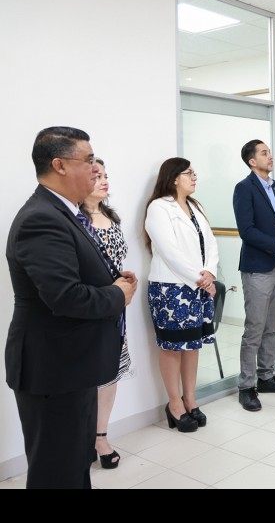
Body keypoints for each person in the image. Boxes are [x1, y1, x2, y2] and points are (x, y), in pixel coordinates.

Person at [5, 127, 136, 489]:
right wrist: (118, 295)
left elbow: (76, 275)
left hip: (73, 366)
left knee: (75, 464)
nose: (96, 168)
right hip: (54, 369)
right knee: (57, 472)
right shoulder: (41, 218)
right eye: (89, 160)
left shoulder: (65, 213)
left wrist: (113, 281)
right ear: (59, 165)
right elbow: (65, 296)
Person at [144, 158, 218, 433]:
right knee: (172, 347)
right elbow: (168, 250)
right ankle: (174, 405)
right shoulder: (159, 207)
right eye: (189, 173)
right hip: (171, 288)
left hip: (198, 286)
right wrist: (200, 279)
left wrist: (210, 272)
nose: (195, 177)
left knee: (192, 345)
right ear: (174, 177)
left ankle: (191, 400)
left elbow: (210, 243)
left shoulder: (195, 206)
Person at [233, 140, 275, 412]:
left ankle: (265, 377)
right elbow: (246, 230)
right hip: (257, 266)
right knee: (255, 328)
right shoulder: (244, 188)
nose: (269, 156)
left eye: (269, 152)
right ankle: (246, 386)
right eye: (264, 153)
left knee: (271, 326)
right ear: (252, 161)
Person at [79, 159, 131, 469]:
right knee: (85, 375)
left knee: (109, 372)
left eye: (106, 175)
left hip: (116, 308)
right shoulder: (74, 219)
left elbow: (116, 260)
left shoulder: (111, 216)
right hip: (89, 306)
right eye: (97, 175)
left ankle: (101, 436)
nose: (103, 180)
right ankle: (82, 438)